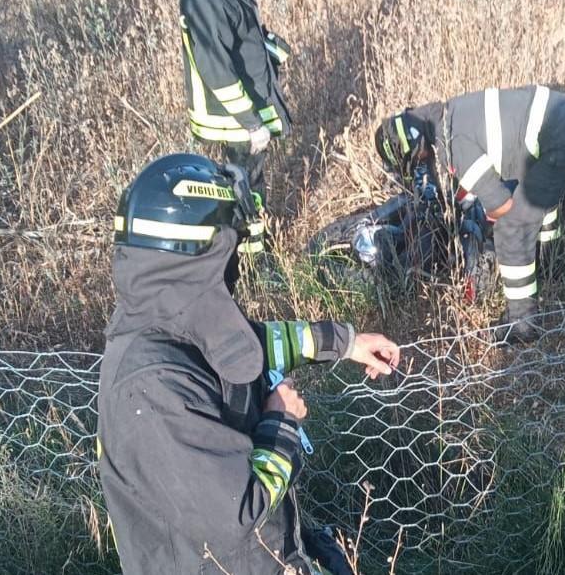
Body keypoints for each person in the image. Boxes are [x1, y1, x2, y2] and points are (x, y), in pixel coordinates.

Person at [98, 154, 401, 574]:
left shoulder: (173, 320)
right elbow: (237, 514)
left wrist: (345, 342)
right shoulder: (152, 386)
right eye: (229, 252)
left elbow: (241, 352)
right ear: (201, 253)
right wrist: (282, 424)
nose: (235, 266)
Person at [374, 85, 565, 343]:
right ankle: (552, 265)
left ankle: (521, 325)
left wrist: (488, 228)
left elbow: (502, 208)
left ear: (412, 148)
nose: (422, 162)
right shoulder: (452, 114)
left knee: (511, 229)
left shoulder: (451, 144)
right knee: (539, 203)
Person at [179, 0, 293, 256]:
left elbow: (239, 30)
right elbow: (216, 68)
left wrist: (268, 46)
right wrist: (250, 123)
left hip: (247, 106)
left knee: (250, 181)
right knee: (245, 187)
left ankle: (250, 250)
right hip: (231, 117)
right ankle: (252, 262)